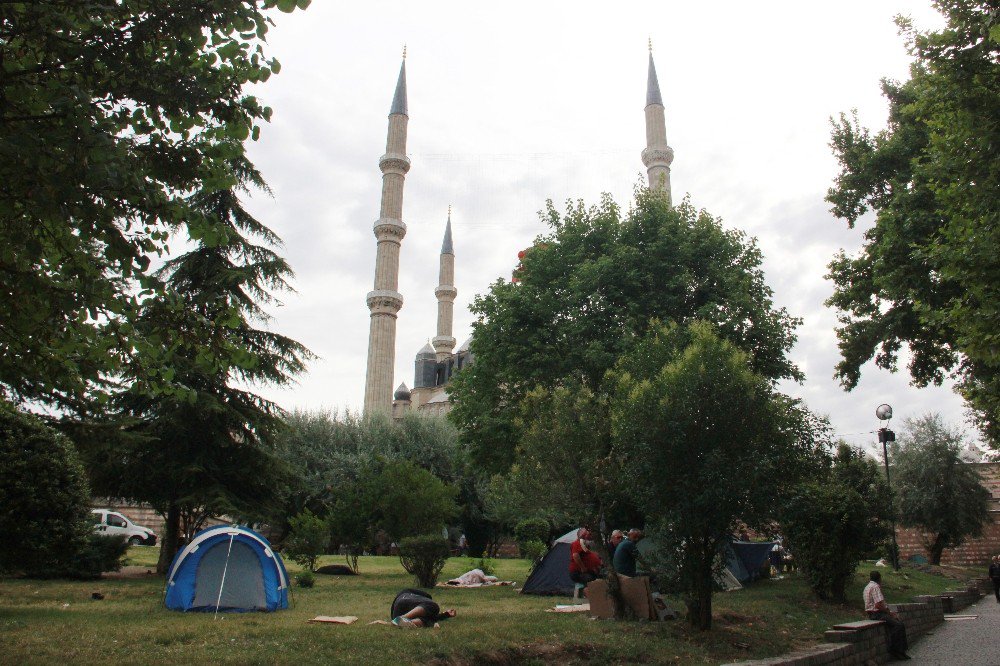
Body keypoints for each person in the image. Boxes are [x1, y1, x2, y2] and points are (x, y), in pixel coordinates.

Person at [863, 571, 910, 660]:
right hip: (877, 614)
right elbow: (878, 605)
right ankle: (895, 649)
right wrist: (889, 613)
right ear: (879, 578)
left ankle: (902, 651)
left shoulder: (867, 587)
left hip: (872, 613)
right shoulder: (875, 587)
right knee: (899, 625)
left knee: (898, 624)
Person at [390, 589, 456, 628]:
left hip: (395, 614)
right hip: (404, 600)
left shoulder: (419, 606)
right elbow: (428, 597)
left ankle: (405, 622)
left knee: (428, 619)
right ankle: (401, 618)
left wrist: (446, 614)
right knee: (433, 606)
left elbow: (431, 616)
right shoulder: (409, 592)